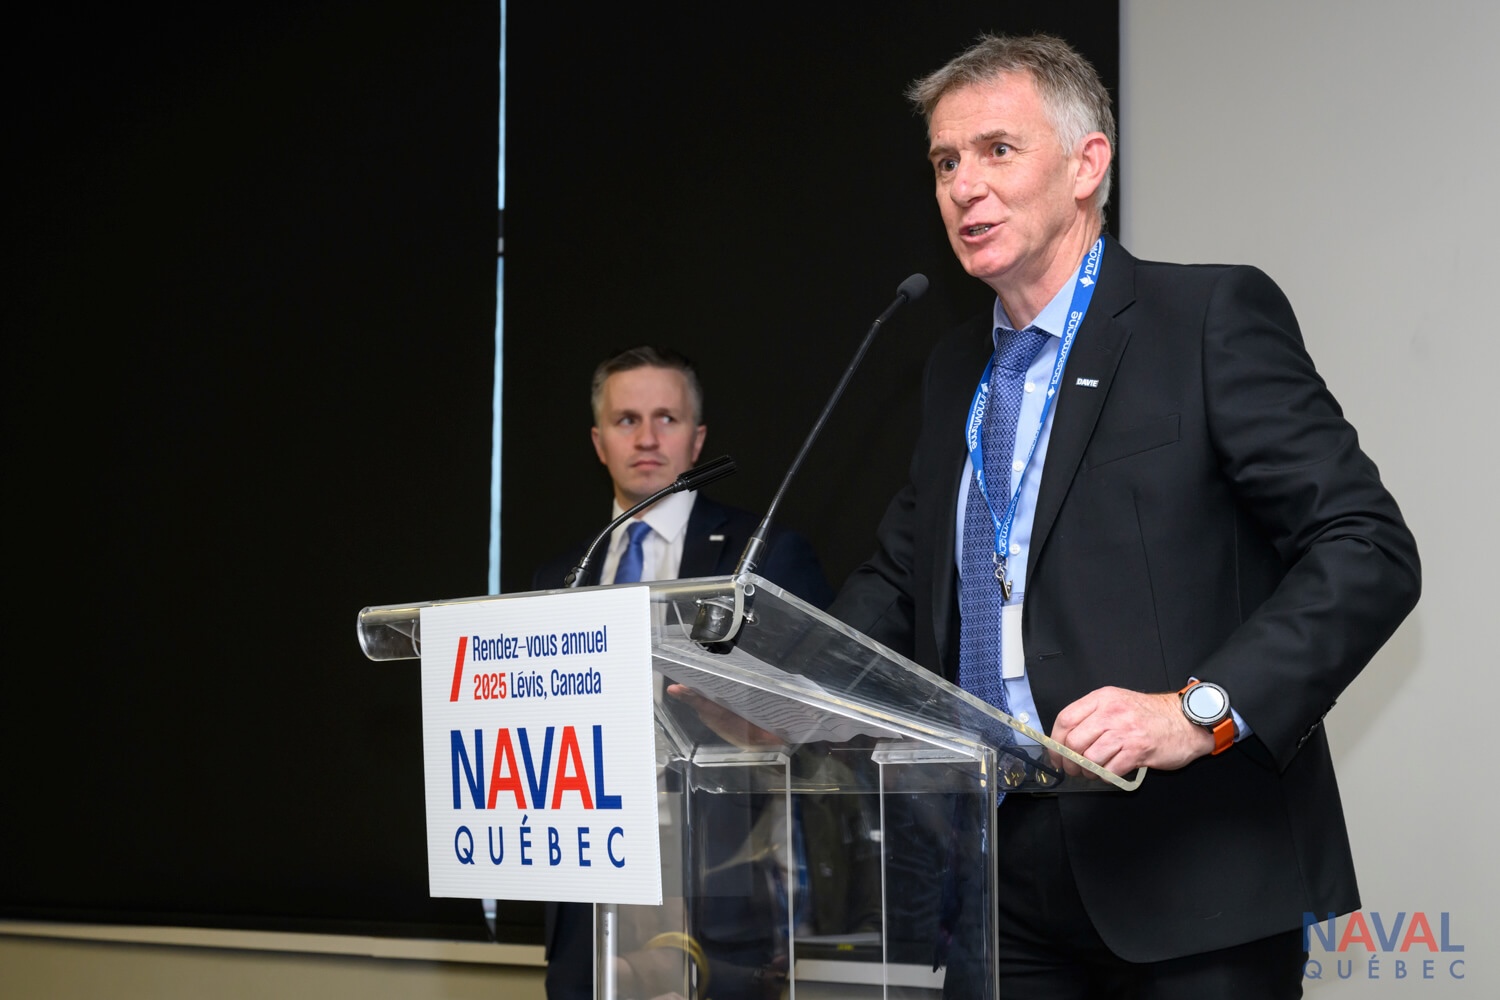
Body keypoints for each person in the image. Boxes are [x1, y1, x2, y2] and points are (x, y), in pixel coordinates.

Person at [829, 33, 1420, 999]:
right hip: (995, 869)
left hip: (1189, 866)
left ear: (1087, 164)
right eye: (944, 162)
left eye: (997, 150)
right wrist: (772, 683)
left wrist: (1198, 712)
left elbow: (1367, 549)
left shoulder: (1205, 318)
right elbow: (900, 581)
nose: (964, 187)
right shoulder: (954, 370)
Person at [533, 344, 834, 1000]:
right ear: (598, 442)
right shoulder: (559, 577)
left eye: (666, 419)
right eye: (627, 420)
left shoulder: (763, 556)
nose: (647, 438)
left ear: (697, 440)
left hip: (721, 890)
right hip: (590, 888)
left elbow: (815, 718)